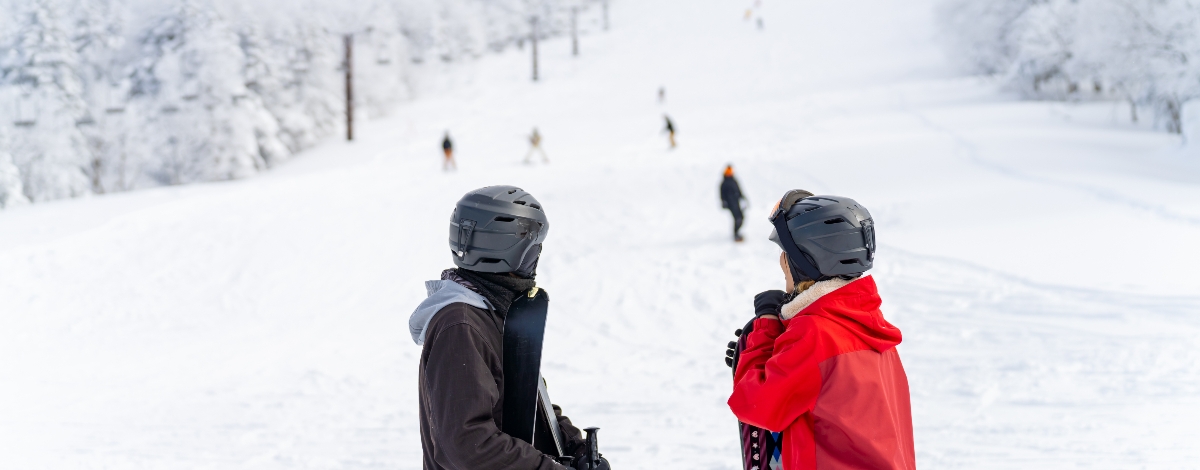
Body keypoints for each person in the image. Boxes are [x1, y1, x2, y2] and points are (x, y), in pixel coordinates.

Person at [410, 186, 610, 470]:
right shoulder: (460, 325)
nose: (536, 260)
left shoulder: (492, 312)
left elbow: (523, 400)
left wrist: (575, 449)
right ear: (511, 252)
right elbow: (468, 443)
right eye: (533, 250)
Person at [728, 190, 915, 470]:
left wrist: (763, 332)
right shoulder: (870, 328)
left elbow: (755, 405)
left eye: (786, 254)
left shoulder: (815, 334)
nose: (781, 262)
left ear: (805, 261)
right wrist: (774, 352)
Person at [720, 165, 747, 242]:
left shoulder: (734, 181)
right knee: (737, 218)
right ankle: (736, 234)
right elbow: (722, 194)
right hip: (730, 204)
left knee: (741, 217)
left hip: (736, 202)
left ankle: (737, 232)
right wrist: (723, 202)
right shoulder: (724, 183)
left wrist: (743, 198)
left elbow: (738, 190)